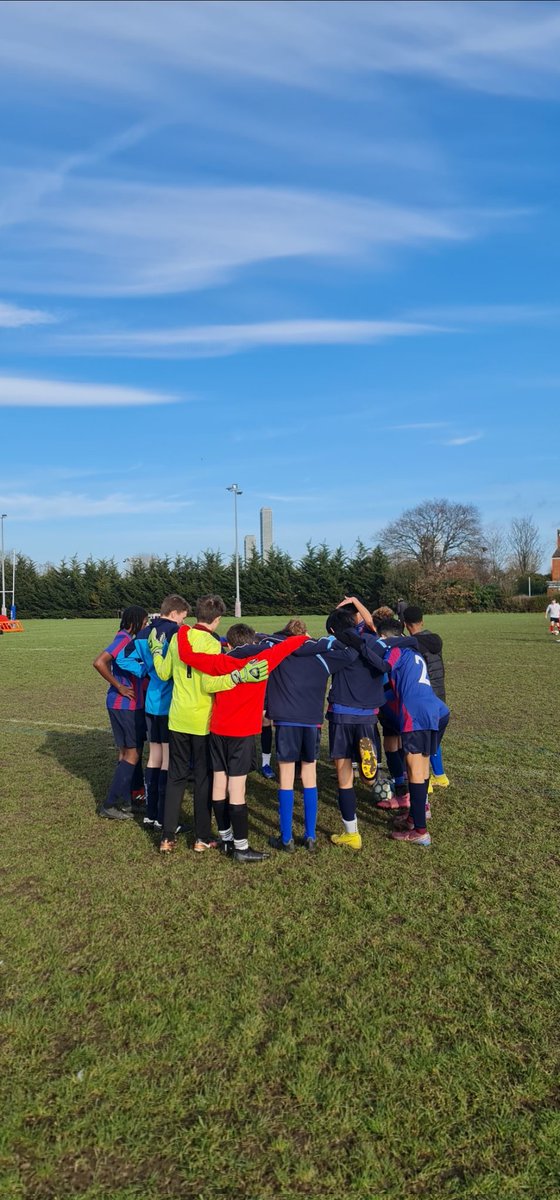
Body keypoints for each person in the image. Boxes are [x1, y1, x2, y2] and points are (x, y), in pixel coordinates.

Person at [149, 595, 266, 854]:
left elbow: (164, 673)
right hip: (203, 720)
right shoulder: (213, 643)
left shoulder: (180, 638)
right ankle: (202, 837)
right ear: (217, 619)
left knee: (176, 777)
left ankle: (167, 837)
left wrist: (158, 651)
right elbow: (211, 682)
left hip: (178, 717)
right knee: (203, 779)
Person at [196, 623, 308, 862]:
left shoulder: (220, 661)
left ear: (230, 643)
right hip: (241, 732)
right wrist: (304, 636)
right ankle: (241, 847)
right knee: (237, 789)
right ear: (252, 642)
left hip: (217, 729)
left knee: (219, 782)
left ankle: (225, 838)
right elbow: (289, 644)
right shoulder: (262, 660)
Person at [262, 619, 357, 852]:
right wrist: (325, 642)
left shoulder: (278, 653)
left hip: (285, 721)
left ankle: (286, 839)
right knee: (309, 774)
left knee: (286, 776)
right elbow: (351, 653)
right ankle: (311, 835)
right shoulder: (321, 656)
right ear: (306, 635)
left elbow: (259, 641)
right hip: (311, 723)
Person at [114, 594, 190, 828]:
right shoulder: (178, 633)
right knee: (168, 759)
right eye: (183, 617)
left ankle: (150, 813)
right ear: (175, 613)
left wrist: (145, 670)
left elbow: (121, 659)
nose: (182, 621)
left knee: (154, 756)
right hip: (171, 704)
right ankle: (163, 816)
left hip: (151, 703)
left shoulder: (145, 633)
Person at [374, 617, 449, 847]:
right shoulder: (413, 652)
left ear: (386, 638)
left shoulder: (395, 651)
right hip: (437, 710)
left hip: (416, 714)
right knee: (422, 767)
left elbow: (382, 666)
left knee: (414, 770)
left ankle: (420, 831)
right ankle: (415, 816)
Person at [324, 608, 389, 851]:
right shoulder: (374, 642)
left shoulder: (335, 646)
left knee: (343, 773)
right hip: (368, 715)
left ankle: (352, 833)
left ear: (332, 630)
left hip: (342, 713)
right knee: (366, 771)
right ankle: (370, 772)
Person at [93, 605, 148, 820]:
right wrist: (119, 686)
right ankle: (111, 803)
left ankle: (130, 798)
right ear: (136, 621)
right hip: (124, 704)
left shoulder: (126, 637)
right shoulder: (124, 639)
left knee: (127, 752)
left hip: (126, 705)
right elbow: (99, 662)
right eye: (144, 621)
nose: (146, 625)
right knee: (131, 754)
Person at [403, 604, 449, 789]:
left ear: (406, 624)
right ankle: (440, 776)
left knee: (419, 743)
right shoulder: (435, 639)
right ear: (422, 621)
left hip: (425, 697)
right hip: (440, 695)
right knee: (433, 737)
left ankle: (425, 781)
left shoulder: (412, 645)